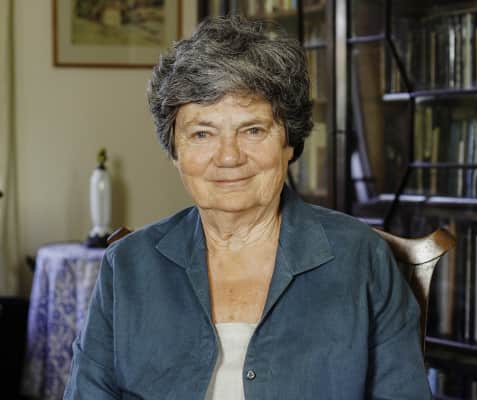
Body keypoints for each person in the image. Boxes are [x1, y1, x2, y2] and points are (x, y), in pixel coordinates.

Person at [64, 15, 431, 399]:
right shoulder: (126, 266)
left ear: (289, 143)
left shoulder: (361, 258)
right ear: (175, 151)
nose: (228, 157)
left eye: (252, 130)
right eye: (202, 133)